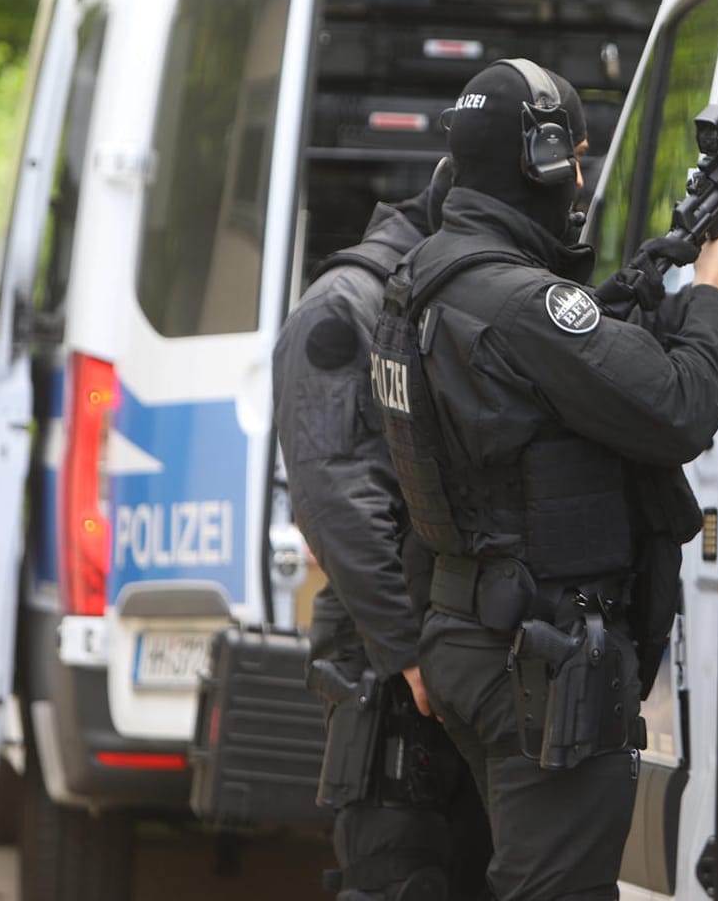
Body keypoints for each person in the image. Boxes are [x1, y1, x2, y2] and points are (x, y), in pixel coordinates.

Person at [371, 57, 718, 901]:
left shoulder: (425, 284)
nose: (579, 175)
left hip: (471, 633)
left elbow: (597, 375)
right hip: (539, 659)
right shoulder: (519, 303)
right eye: (573, 154)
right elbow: (676, 406)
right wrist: (711, 296)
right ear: (539, 163)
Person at [272, 161, 494, 901]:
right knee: (403, 878)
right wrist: (408, 653)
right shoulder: (347, 305)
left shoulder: (442, 296)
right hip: (392, 663)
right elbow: (337, 501)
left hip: (450, 645)